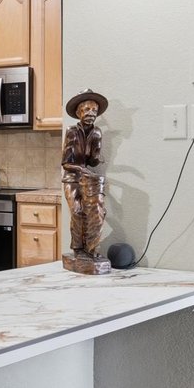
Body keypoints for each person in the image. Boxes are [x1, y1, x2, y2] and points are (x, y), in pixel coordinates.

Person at [61, 90, 110, 268]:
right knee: (76, 210)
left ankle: (91, 248)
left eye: (94, 110)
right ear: (79, 113)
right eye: (87, 109)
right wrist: (82, 169)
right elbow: (66, 163)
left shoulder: (96, 132)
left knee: (94, 212)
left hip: (86, 178)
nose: (91, 113)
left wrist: (97, 154)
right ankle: (77, 248)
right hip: (71, 178)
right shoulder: (72, 132)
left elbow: (92, 161)